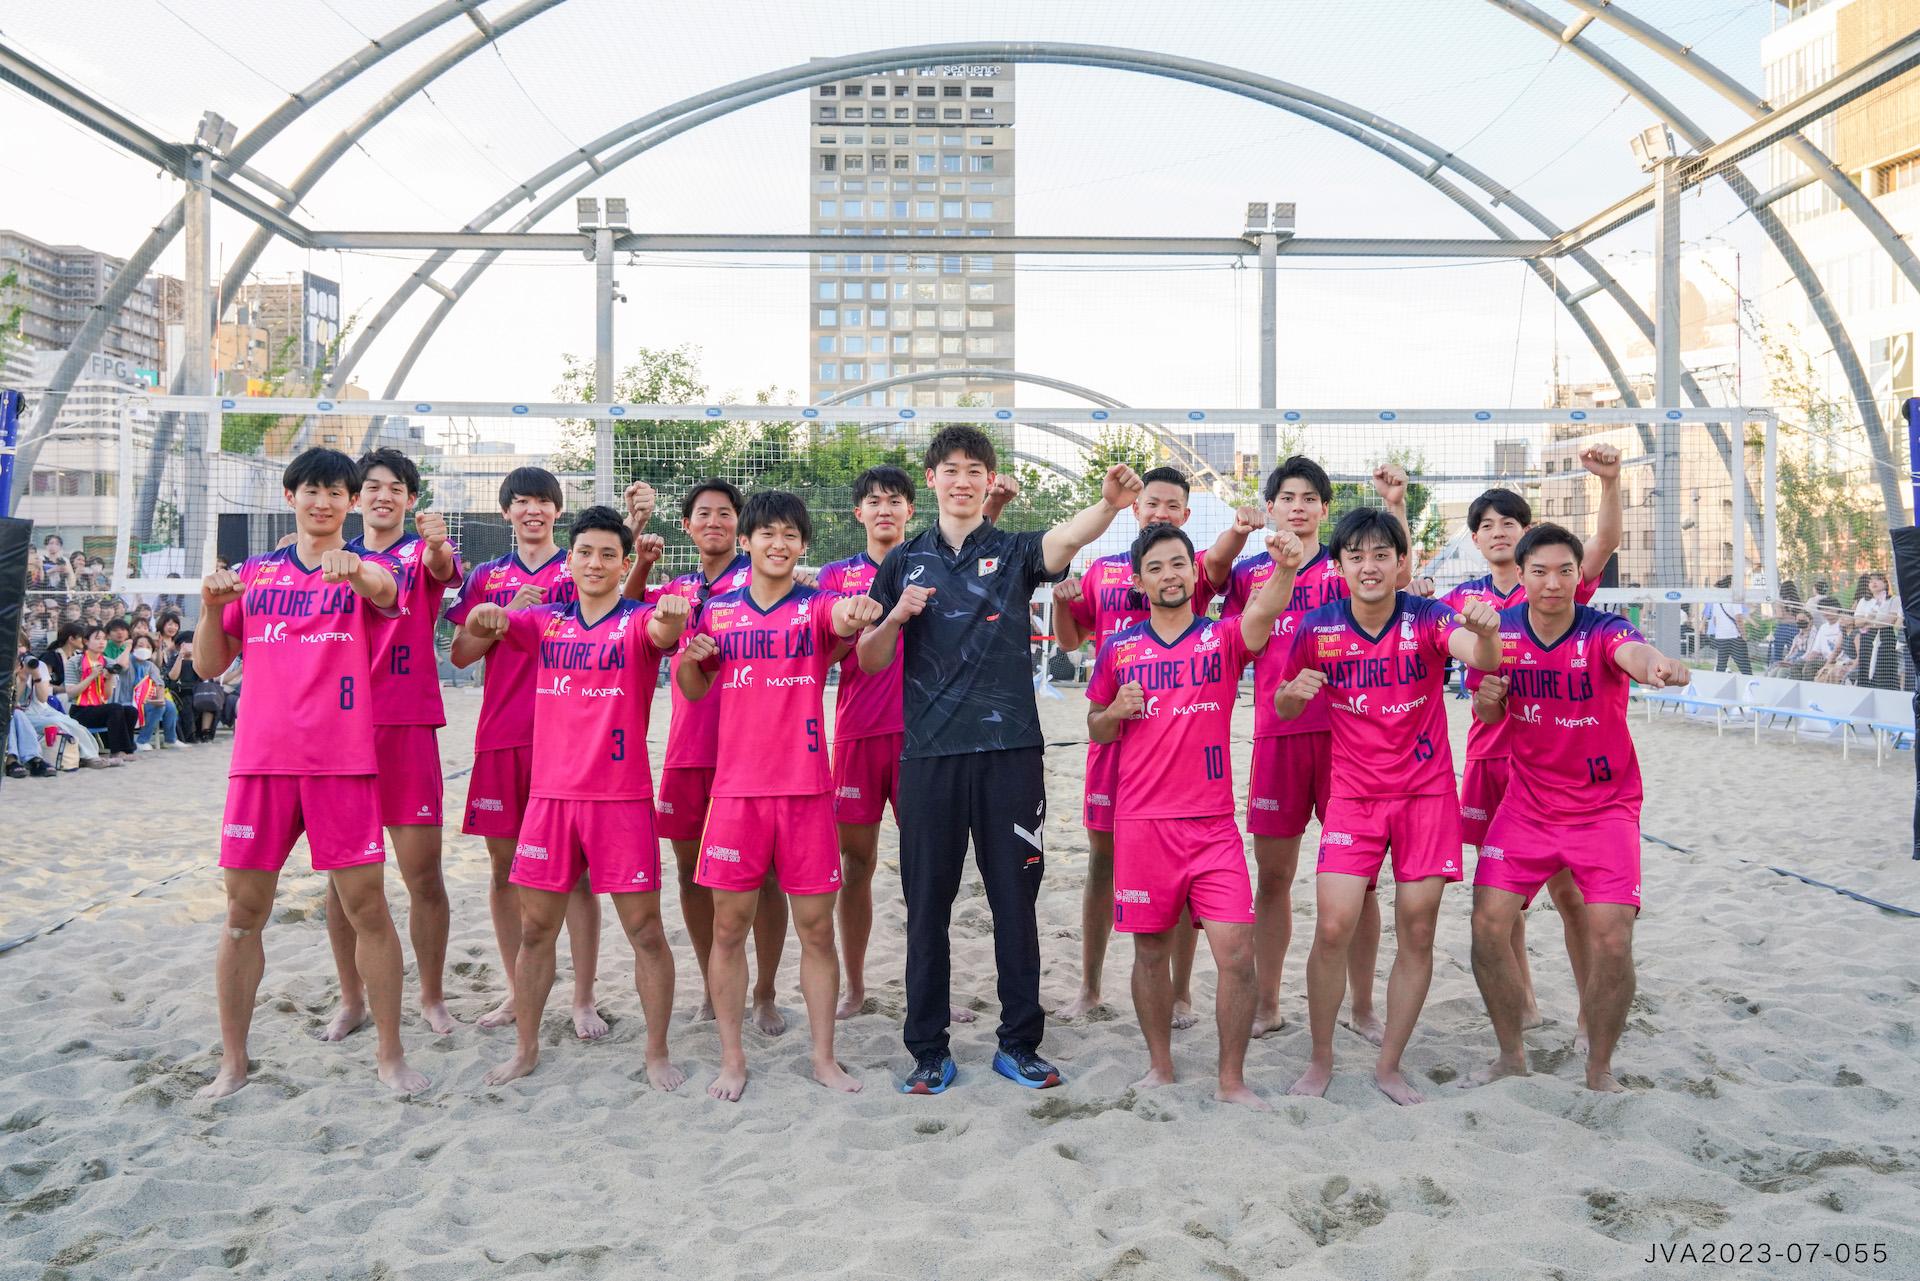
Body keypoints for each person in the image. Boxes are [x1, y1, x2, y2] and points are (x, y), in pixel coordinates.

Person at [859, 425, 1142, 1095]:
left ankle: (1019, 1043)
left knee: (1014, 900)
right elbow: (868, 657)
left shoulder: (1013, 551)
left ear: (990, 480)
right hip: (929, 757)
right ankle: (928, 1050)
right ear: (932, 479)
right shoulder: (902, 561)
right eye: (950, 468)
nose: (962, 479)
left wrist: (1106, 505)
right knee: (926, 905)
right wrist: (896, 615)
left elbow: (1067, 539)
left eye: (974, 469)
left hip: (1011, 755)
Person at [193, 447, 428, 1099]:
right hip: (261, 765)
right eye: (311, 490)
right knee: (243, 914)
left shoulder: (371, 566)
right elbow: (209, 666)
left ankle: (390, 1054)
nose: (322, 501)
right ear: (292, 496)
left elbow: (385, 591)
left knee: (367, 908)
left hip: (341, 764)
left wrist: (357, 573)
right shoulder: (257, 573)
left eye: (335, 492)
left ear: (351, 503)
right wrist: (211, 609)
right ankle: (233, 1063)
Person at [454, 506, 691, 1089]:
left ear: (623, 564)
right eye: (586, 551)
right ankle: (527, 1048)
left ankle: (656, 1052)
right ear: (573, 556)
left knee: (646, 932)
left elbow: (663, 632)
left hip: (621, 801)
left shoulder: (637, 622)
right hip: (550, 802)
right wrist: (491, 613)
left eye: (609, 554)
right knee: (536, 931)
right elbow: (481, 634)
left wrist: (671, 616)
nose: (595, 562)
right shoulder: (544, 621)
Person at [1275, 508, 1501, 1105]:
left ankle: (1389, 1066)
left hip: (1426, 796)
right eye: (1357, 555)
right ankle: (1320, 1060)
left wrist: (1485, 630)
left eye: (1382, 554)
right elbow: (1282, 700)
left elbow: (1480, 658)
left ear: (1402, 562)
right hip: (1354, 797)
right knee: (1332, 926)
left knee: (1418, 929)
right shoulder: (1316, 626)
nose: (1370, 566)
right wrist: (1293, 695)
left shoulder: (1426, 615)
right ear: (1340, 564)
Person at [1461, 524, 1690, 1093]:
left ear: (1578, 575)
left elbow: (1634, 653)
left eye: (1565, 570)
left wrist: (1656, 665)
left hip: (1604, 808)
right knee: (1488, 924)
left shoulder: (1603, 629)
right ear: (1522, 575)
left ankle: (1599, 1068)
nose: (1553, 582)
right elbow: (1488, 717)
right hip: (1527, 806)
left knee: (1611, 934)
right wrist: (1489, 701)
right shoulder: (1499, 635)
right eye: (1539, 571)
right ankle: (1512, 1054)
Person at [1087, 523, 1303, 1110]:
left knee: (1236, 952)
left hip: (1211, 825)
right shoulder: (1119, 649)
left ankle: (1231, 1080)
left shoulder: (1223, 639)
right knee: (1150, 952)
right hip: (1143, 824)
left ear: (1193, 571)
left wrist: (1285, 568)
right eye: (1155, 567)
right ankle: (1160, 1067)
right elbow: (1096, 728)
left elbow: (1262, 613)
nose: (1169, 575)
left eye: (1178, 563)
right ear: (1139, 582)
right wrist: (1116, 711)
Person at [678, 490, 882, 1100]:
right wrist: (692, 657)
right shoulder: (717, 612)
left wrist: (857, 612)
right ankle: (733, 1059)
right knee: (728, 928)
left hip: (805, 792)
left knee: (816, 930)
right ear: (746, 542)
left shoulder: (815, 608)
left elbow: (842, 618)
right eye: (766, 533)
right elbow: (689, 688)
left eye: (790, 535)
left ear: (802, 546)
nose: (777, 543)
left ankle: (823, 1057)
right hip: (737, 793)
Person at [1200, 456, 1411, 1042]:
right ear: (1271, 507)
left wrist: (1395, 504)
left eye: (1309, 498)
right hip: (1278, 735)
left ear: (1324, 508)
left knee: (1361, 881)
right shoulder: (1249, 576)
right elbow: (1214, 583)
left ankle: (1362, 1006)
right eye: (1287, 497)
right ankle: (1267, 1002)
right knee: (1273, 878)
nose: (1298, 506)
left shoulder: (1348, 566)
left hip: (1351, 740)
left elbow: (1396, 573)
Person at [1435, 449, 1621, 1037]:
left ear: (1525, 535)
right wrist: (1393, 504)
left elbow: (1604, 544)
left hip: (1554, 760)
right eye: (1486, 525)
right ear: (1474, 538)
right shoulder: (1464, 603)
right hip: (1491, 755)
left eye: (1508, 523)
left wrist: (1610, 483)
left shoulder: (1552, 587)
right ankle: (1525, 1007)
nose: (1497, 533)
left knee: (1570, 896)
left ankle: (1593, 1014)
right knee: (1501, 898)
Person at [1050, 466, 1211, 1027]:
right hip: (1115, 736)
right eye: (1152, 503)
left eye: (1172, 505)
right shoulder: (1103, 571)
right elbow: (1072, 644)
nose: (1160, 512)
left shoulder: (1191, 569)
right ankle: (1090, 988)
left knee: (1188, 868)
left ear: (1185, 517)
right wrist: (1062, 601)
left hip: (1179, 741)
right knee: (1102, 860)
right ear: (1134, 508)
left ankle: (1183, 993)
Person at [448, 467, 605, 1037]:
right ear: (508, 512)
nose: (532, 510)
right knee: (505, 868)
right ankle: (519, 992)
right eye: (521, 502)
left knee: (579, 874)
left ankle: (584, 997)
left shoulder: (585, 565)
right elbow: (461, 653)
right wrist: (502, 614)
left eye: (542, 500)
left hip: (572, 739)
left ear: (557, 510)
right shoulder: (488, 576)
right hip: (503, 734)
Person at [629, 478, 789, 1033]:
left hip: (754, 753)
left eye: (726, 514)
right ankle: (712, 985)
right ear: (688, 526)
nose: (715, 521)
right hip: (689, 747)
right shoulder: (675, 590)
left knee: (764, 876)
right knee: (691, 872)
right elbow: (625, 623)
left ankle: (765, 992)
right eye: (704, 514)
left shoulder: (766, 578)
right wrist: (639, 548)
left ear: (742, 529)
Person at [318, 448, 463, 1040]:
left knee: (422, 875)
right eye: (372, 486)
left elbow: (440, 562)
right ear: (356, 498)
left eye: (395, 488)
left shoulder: (419, 553)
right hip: (337, 729)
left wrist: (438, 542)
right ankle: (352, 998)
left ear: (410, 499)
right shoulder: (324, 558)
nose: (383, 495)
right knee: (343, 879)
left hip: (405, 725)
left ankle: (430, 996)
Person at [814, 466, 929, 1021]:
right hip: (859, 733)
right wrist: (852, 626)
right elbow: (824, 658)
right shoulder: (836, 578)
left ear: (911, 510)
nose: (884, 509)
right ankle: (855, 987)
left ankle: (930, 987)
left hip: (922, 736)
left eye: (895, 501)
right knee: (855, 866)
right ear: (858, 513)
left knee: (924, 869)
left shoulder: (931, 565)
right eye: (874, 501)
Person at [65, 624, 138, 758]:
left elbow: (107, 695)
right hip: (80, 710)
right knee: (115, 708)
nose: (102, 642)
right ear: (86, 641)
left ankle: (127, 750)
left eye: (104, 639)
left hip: (99, 707)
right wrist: (91, 676)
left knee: (131, 711)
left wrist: (109, 678)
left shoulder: (108, 662)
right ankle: (116, 751)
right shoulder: (74, 662)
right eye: (97, 638)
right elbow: (71, 692)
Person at [127, 638, 181, 750]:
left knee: (169, 705)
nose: (144, 649)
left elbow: (159, 683)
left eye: (148, 647)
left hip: (147, 699)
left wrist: (160, 699)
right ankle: (142, 741)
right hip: (129, 699)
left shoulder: (150, 665)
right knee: (158, 708)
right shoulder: (128, 661)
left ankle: (170, 740)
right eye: (140, 645)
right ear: (133, 648)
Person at [1854, 572, 1903, 690]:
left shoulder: (1893, 599)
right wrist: (1868, 620)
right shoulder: (1863, 601)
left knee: (1883, 668)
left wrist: (1868, 622)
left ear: (1885, 583)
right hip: (1867, 638)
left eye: (1877, 580)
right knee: (1866, 667)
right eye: (1871, 581)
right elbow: (1857, 622)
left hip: (1885, 637)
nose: (1874, 583)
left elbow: (1890, 620)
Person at [1704, 583, 1752, 675]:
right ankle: (1751, 686)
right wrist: (1744, 636)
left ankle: (1718, 686)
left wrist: (1721, 630)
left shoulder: (1717, 602)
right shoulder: (1734, 600)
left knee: (1721, 667)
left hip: (1721, 638)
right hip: (1734, 638)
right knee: (1745, 667)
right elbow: (1739, 620)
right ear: (1729, 587)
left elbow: (1715, 621)